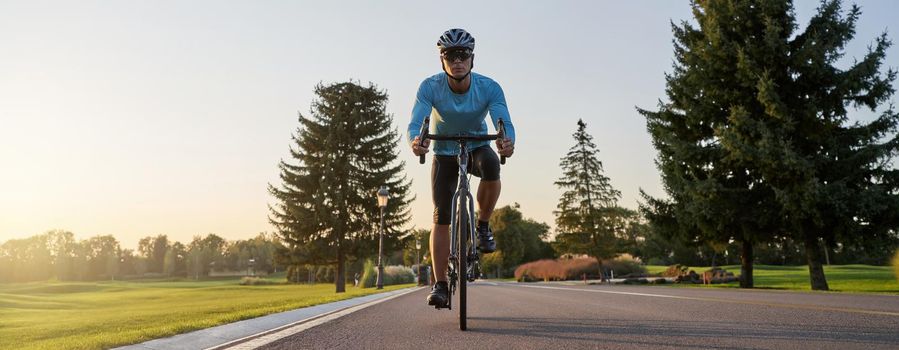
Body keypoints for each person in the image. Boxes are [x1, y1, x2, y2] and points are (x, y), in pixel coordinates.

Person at [407, 28, 516, 308]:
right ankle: (440, 284)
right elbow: (416, 122)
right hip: (443, 151)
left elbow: (503, 120)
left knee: (492, 164)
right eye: (450, 55)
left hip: (477, 145)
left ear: (472, 59)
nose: (457, 61)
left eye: (463, 55)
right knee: (441, 214)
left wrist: (506, 142)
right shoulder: (429, 87)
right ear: (442, 61)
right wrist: (416, 142)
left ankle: (482, 226)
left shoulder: (489, 87)